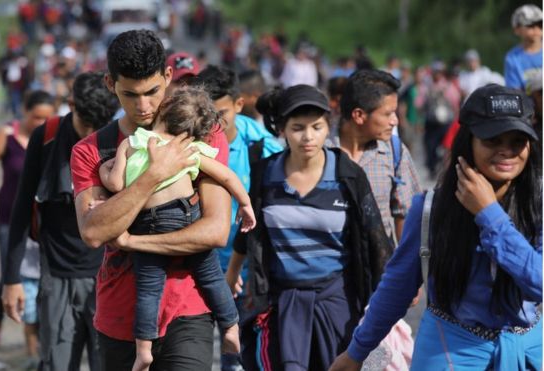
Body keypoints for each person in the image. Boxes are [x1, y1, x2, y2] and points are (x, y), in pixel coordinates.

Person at [330, 83, 542, 371]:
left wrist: (489, 215)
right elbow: (397, 287)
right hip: (449, 353)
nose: (506, 152)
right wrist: (356, 352)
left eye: (517, 142)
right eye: (493, 140)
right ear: (469, 142)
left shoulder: (538, 205)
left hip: (528, 354)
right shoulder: (431, 208)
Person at [70, 29, 232, 370]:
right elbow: (94, 232)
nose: (143, 107)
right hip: (119, 316)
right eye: (130, 94)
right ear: (110, 83)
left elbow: (215, 231)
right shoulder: (90, 151)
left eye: (152, 92)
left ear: (169, 76)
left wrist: (131, 238)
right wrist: (154, 175)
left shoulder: (204, 132)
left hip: (189, 309)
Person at [228, 84, 394, 370]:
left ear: (327, 127)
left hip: (337, 298)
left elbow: (375, 238)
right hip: (281, 301)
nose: (308, 137)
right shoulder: (265, 175)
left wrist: (389, 296)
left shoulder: (347, 176)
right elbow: (249, 229)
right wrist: (232, 273)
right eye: (298, 128)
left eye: (316, 127)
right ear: (282, 130)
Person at [98, 86, 252, 371]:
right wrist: (245, 205)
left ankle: (143, 349)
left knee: (148, 291)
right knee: (211, 278)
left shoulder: (134, 142)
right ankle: (230, 327)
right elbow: (226, 176)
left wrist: (104, 170)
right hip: (186, 216)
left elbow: (117, 185)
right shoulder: (188, 149)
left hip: (147, 224)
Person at [2, 72, 119, 371]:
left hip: (108, 276)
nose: (91, 135)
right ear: (70, 106)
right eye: (85, 125)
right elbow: (21, 207)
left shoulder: (122, 140)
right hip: (57, 274)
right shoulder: (47, 137)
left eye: (99, 127)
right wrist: (11, 279)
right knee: (57, 362)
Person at [196, 64, 284, 371]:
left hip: (248, 271)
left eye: (221, 114)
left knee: (241, 356)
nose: (212, 124)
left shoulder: (264, 147)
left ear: (238, 104)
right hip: (196, 266)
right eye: (205, 115)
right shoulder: (184, 142)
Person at [0, 91, 54, 365]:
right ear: (24, 112)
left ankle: (40, 339)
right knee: (11, 271)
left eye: (46, 117)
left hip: (43, 220)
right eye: (36, 117)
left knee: (42, 274)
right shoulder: (7, 135)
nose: (41, 122)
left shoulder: (54, 137)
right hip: (10, 218)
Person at [336, 69, 421, 243]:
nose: (395, 121)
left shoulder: (395, 151)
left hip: (379, 268)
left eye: (395, 113)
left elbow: (406, 216)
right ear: (359, 115)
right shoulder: (321, 151)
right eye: (388, 113)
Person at [505, 4, 542, 91]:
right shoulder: (512, 58)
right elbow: (514, 91)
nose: (536, 29)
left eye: (540, 24)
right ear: (517, 29)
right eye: (531, 25)